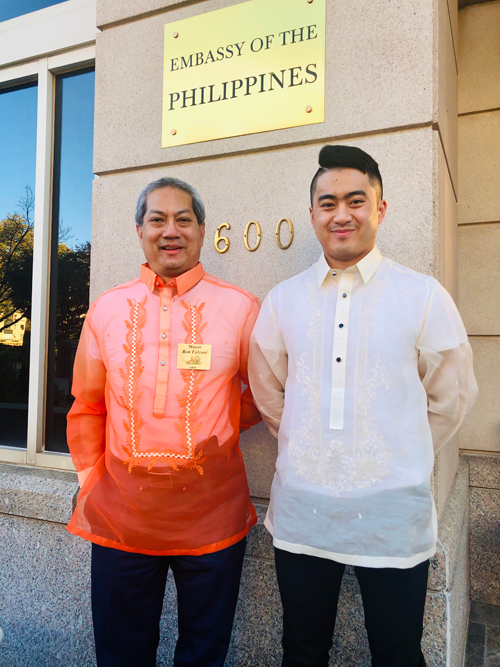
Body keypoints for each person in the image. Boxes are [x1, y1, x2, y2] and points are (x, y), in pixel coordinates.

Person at [248, 145, 477, 667]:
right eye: (327, 203)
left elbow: (452, 395)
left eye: (356, 200)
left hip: (392, 513)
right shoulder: (285, 298)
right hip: (304, 511)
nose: (341, 214)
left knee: (397, 653)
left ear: (381, 208)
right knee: (302, 650)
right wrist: (312, 442)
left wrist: (395, 447)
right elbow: (267, 390)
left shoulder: (421, 295)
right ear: (312, 215)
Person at [66, 177, 261, 667]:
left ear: (200, 230)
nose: (170, 231)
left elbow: (265, 394)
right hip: (121, 516)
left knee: (204, 651)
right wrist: (92, 482)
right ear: (139, 230)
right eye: (157, 219)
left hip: (211, 515)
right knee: (119, 652)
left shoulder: (240, 308)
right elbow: (87, 406)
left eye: (183, 219)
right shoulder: (107, 309)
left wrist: (212, 437)